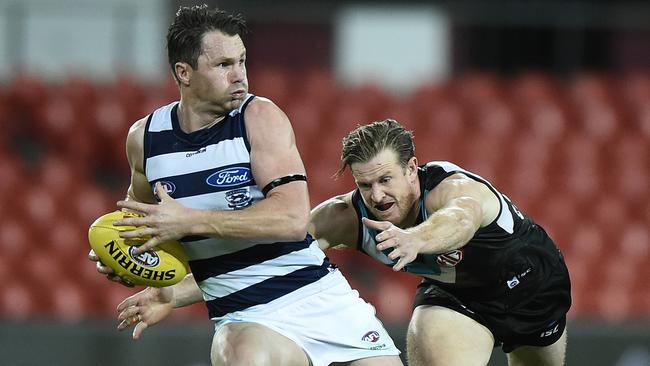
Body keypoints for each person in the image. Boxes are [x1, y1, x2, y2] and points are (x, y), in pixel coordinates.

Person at [88, 5, 403, 366]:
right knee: (245, 357)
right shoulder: (146, 139)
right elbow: (141, 223)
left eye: (242, 61)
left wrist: (191, 221)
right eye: (224, 65)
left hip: (320, 297)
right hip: (245, 317)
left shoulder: (260, 118)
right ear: (184, 72)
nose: (240, 75)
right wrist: (127, 259)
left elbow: (291, 220)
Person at [309, 119, 572, 366]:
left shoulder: (451, 188)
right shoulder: (346, 216)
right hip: (457, 295)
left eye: (385, 180)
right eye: (364, 185)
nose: (377, 196)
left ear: (411, 169)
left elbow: (462, 218)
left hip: (529, 285)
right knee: (428, 329)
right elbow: (290, 242)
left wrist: (415, 238)